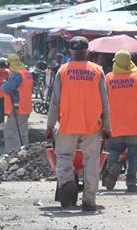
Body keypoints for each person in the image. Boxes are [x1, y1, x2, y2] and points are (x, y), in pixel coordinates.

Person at [45, 36, 110, 211]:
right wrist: (107, 127)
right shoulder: (97, 71)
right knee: (92, 161)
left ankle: (67, 182)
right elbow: (105, 102)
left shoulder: (63, 71)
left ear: (70, 52)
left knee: (64, 157)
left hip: (67, 123)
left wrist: (50, 125)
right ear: (88, 51)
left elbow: (55, 101)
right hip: (92, 125)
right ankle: (89, 201)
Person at [104, 51, 137, 192]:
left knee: (113, 150)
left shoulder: (108, 78)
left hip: (115, 125)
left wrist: (102, 123)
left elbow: (103, 102)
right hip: (135, 125)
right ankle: (131, 182)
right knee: (134, 154)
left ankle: (112, 168)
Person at [1, 54, 33, 151]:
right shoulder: (27, 73)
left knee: (10, 133)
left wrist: (3, 83)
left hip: (17, 108)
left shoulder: (17, 75)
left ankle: (13, 156)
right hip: (26, 107)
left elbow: (6, 88)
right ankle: (24, 154)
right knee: (22, 133)